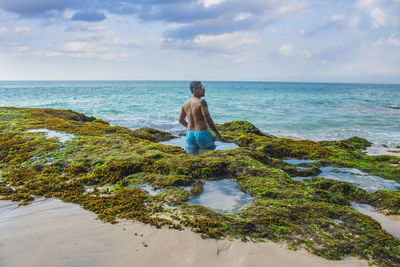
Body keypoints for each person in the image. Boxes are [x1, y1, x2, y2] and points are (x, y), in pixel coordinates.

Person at [179, 81, 222, 155]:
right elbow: (208, 118)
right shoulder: (202, 102)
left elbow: (181, 120)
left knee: (192, 158)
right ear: (195, 90)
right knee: (209, 156)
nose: (203, 90)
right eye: (201, 88)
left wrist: (190, 127)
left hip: (190, 134)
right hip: (202, 133)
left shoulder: (185, 104)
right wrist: (217, 133)